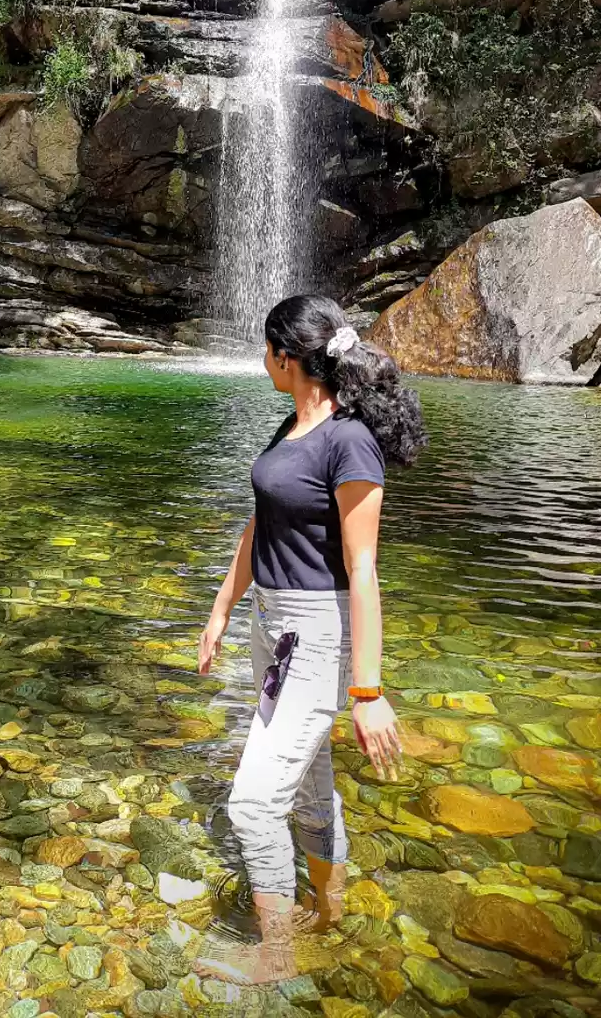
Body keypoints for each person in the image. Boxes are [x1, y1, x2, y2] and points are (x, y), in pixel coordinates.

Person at [197, 294, 426, 982]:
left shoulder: (348, 440)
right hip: (274, 625)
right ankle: (328, 913)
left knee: (251, 802)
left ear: (286, 356)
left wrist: (368, 689)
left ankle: (277, 956)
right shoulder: (290, 428)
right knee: (308, 786)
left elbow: (362, 567)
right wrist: (219, 611)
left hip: (318, 632)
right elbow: (258, 524)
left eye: (265, 351)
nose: (262, 361)